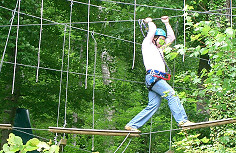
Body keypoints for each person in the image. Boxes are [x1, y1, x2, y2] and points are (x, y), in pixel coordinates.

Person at [125, 16, 192, 132]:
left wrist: (166, 23)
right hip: (153, 77)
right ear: (154, 38)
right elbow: (152, 30)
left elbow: (171, 38)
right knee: (172, 95)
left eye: (163, 40)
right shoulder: (147, 44)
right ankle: (183, 121)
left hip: (156, 79)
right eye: (160, 39)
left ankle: (132, 125)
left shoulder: (159, 48)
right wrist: (150, 22)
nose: (162, 42)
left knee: (153, 105)